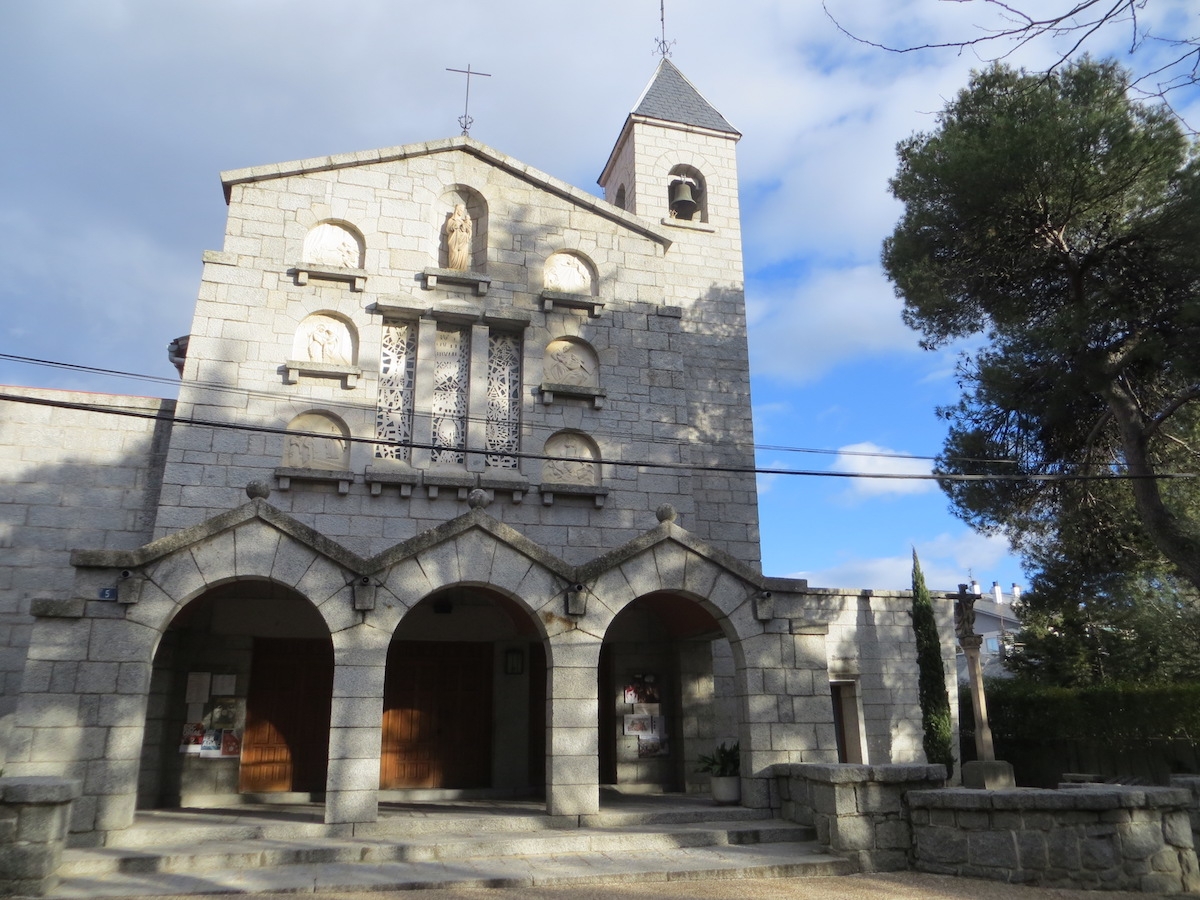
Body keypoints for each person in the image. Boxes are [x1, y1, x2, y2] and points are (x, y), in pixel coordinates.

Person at [445, 203, 472, 270]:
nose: (462, 212)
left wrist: (467, 229)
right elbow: (448, 229)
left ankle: (461, 268)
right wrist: (455, 226)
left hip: (463, 242)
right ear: (457, 210)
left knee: (462, 254)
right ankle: (453, 267)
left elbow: (468, 230)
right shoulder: (452, 220)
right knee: (454, 252)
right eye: (461, 210)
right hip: (454, 240)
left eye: (463, 211)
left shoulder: (463, 221)